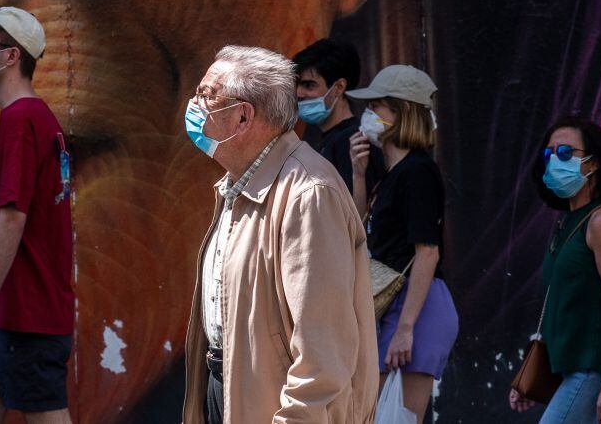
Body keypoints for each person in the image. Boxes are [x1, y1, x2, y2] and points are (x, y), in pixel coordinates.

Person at [181, 45, 378, 424]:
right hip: (228, 389)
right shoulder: (238, 186)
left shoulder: (308, 194)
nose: (195, 104)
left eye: (208, 94)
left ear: (243, 116)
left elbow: (324, 351)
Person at [0, 8, 74, 424]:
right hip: (10, 313)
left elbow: (13, 216)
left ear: (11, 57)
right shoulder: (26, 118)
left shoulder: (22, 120)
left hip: (26, 313)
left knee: (47, 418)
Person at [509, 116, 601, 424]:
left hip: (594, 373)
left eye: (566, 152)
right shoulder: (571, 221)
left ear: (593, 164)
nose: (554, 160)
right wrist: (536, 374)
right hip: (573, 372)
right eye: (549, 154)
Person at [346, 64, 458, 422]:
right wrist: (359, 174)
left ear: (402, 113)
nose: (368, 115)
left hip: (416, 306)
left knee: (397, 416)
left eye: (377, 107)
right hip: (397, 304)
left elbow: (427, 252)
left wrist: (406, 328)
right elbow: (362, 230)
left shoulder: (418, 172)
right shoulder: (394, 172)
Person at [293, 38, 385, 193]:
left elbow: (355, 213)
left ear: (339, 87)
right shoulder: (332, 139)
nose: (299, 93)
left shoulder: (353, 141)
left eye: (309, 85)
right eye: (297, 85)